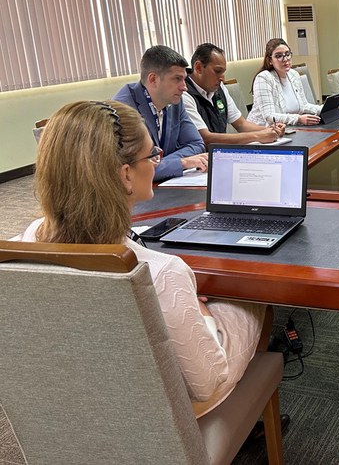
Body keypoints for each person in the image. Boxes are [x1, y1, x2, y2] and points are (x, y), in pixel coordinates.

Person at [22, 100, 269, 418]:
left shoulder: (23, 244)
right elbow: (207, 384)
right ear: (126, 175)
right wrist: (199, 310)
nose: (157, 162)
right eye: (153, 155)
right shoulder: (161, 274)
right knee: (253, 299)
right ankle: (256, 406)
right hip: (162, 416)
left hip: (71, 406)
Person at [114, 45, 207, 182]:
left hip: (164, 185)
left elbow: (196, 144)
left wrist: (159, 164)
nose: (184, 87)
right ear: (153, 79)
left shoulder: (175, 102)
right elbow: (132, 171)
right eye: (177, 79)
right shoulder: (124, 110)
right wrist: (180, 163)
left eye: (184, 79)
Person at [182, 43, 286, 146]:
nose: (222, 78)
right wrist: (258, 136)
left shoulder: (219, 88)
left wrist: (270, 130)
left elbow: (241, 124)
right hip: (198, 158)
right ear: (198, 67)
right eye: (217, 71)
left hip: (219, 153)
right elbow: (205, 138)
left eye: (223, 72)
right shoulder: (183, 93)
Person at [247, 38, 323, 126]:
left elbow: (303, 106)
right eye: (279, 56)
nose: (285, 59)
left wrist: (323, 108)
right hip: (262, 131)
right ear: (270, 60)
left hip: (287, 129)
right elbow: (269, 116)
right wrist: (298, 119)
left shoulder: (294, 74)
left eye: (287, 54)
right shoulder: (263, 78)